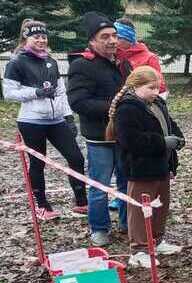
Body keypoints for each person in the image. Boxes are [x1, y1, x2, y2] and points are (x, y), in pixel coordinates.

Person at [2, 19, 87, 220]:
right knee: (38, 163)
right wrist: (36, 92)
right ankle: (42, 205)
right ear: (26, 38)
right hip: (31, 121)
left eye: (43, 36)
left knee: (76, 158)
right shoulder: (16, 62)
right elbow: (9, 93)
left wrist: (68, 116)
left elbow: (60, 92)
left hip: (56, 119)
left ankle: (82, 202)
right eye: (36, 37)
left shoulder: (51, 61)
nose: (41, 40)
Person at [106, 66, 184, 268]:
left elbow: (169, 123)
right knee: (140, 210)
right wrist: (162, 142)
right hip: (140, 168)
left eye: (157, 87)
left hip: (162, 165)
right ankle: (138, 249)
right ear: (135, 86)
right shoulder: (127, 108)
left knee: (161, 205)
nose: (155, 92)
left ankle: (157, 240)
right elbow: (131, 140)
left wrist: (178, 137)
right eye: (151, 88)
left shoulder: (157, 103)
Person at [67, 12, 127, 246]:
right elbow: (78, 102)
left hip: (124, 135)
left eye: (114, 35)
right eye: (105, 37)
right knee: (99, 186)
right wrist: (113, 107)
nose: (112, 41)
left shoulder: (123, 63)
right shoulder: (82, 65)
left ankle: (126, 222)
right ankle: (100, 228)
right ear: (92, 41)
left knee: (126, 182)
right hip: (99, 137)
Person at [114, 18, 169, 99]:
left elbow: (160, 87)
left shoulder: (149, 58)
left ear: (128, 39)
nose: (113, 41)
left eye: (117, 38)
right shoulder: (111, 55)